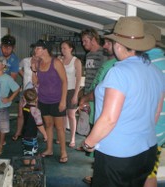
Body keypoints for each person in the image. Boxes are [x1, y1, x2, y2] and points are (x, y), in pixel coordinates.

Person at [81, 16, 164, 187]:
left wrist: (89, 142)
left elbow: (109, 119)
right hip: (147, 149)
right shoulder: (155, 71)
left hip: (118, 156)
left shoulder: (119, 72)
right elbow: (155, 114)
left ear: (118, 45)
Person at [77, 38, 117, 185]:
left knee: (103, 147)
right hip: (96, 108)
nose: (104, 45)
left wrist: (89, 141)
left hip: (104, 114)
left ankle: (99, 177)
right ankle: (97, 175)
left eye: (108, 43)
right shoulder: (108, 63)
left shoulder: (116, 67)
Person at [32, 39, 68, 163]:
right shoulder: (38, 63)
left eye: (37, 48)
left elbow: (65, 81)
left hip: (57, 100)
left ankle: (63, 152)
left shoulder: (56, 62)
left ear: (45, 50)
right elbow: (35, 83)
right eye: (35, 48)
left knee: (59, 127)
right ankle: (49, 149)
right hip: (43, 99)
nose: (35, 50)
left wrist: (63, 101)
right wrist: (33, 70)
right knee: (48, 125)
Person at [144, 23, 165, 187]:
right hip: (161, 129)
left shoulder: (147, 63)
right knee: (151, 172)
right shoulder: (162, 60)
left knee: (145, 175)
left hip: (150, 129)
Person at [12, 53, 41, 141]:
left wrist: (34, 70)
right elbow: (18, 67)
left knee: (34, 114)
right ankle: (18, 132)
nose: (36, 58)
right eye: (34, 55)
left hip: (36, 92)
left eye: (38, 56)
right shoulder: (25, 60)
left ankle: (35, 132)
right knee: (21, 114)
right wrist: (23, 74)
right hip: (25, 91)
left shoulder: (42, 63)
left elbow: (37, 81)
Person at [59, 40, 82, 148]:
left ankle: (72, 138)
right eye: (61, 48)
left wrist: (76, 95)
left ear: (70, 48)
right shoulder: (60, 60)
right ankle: (62, 136)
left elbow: (78, 79)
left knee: (71, 115)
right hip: (61, 90)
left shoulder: (76, 61)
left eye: (64, 48)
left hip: (72, 90)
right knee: (62, 116)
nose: (62, 50)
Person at [21, 88, 47, 166]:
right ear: (37, 98)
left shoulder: (24, 106)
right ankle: (29, 169)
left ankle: (29, 167)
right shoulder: (35, 111)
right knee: (31, 153)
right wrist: (45, 134)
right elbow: (39, 125)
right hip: (32, 135)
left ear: (24, 98)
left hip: (25, 134)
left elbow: (25, 100)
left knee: (27, 151)